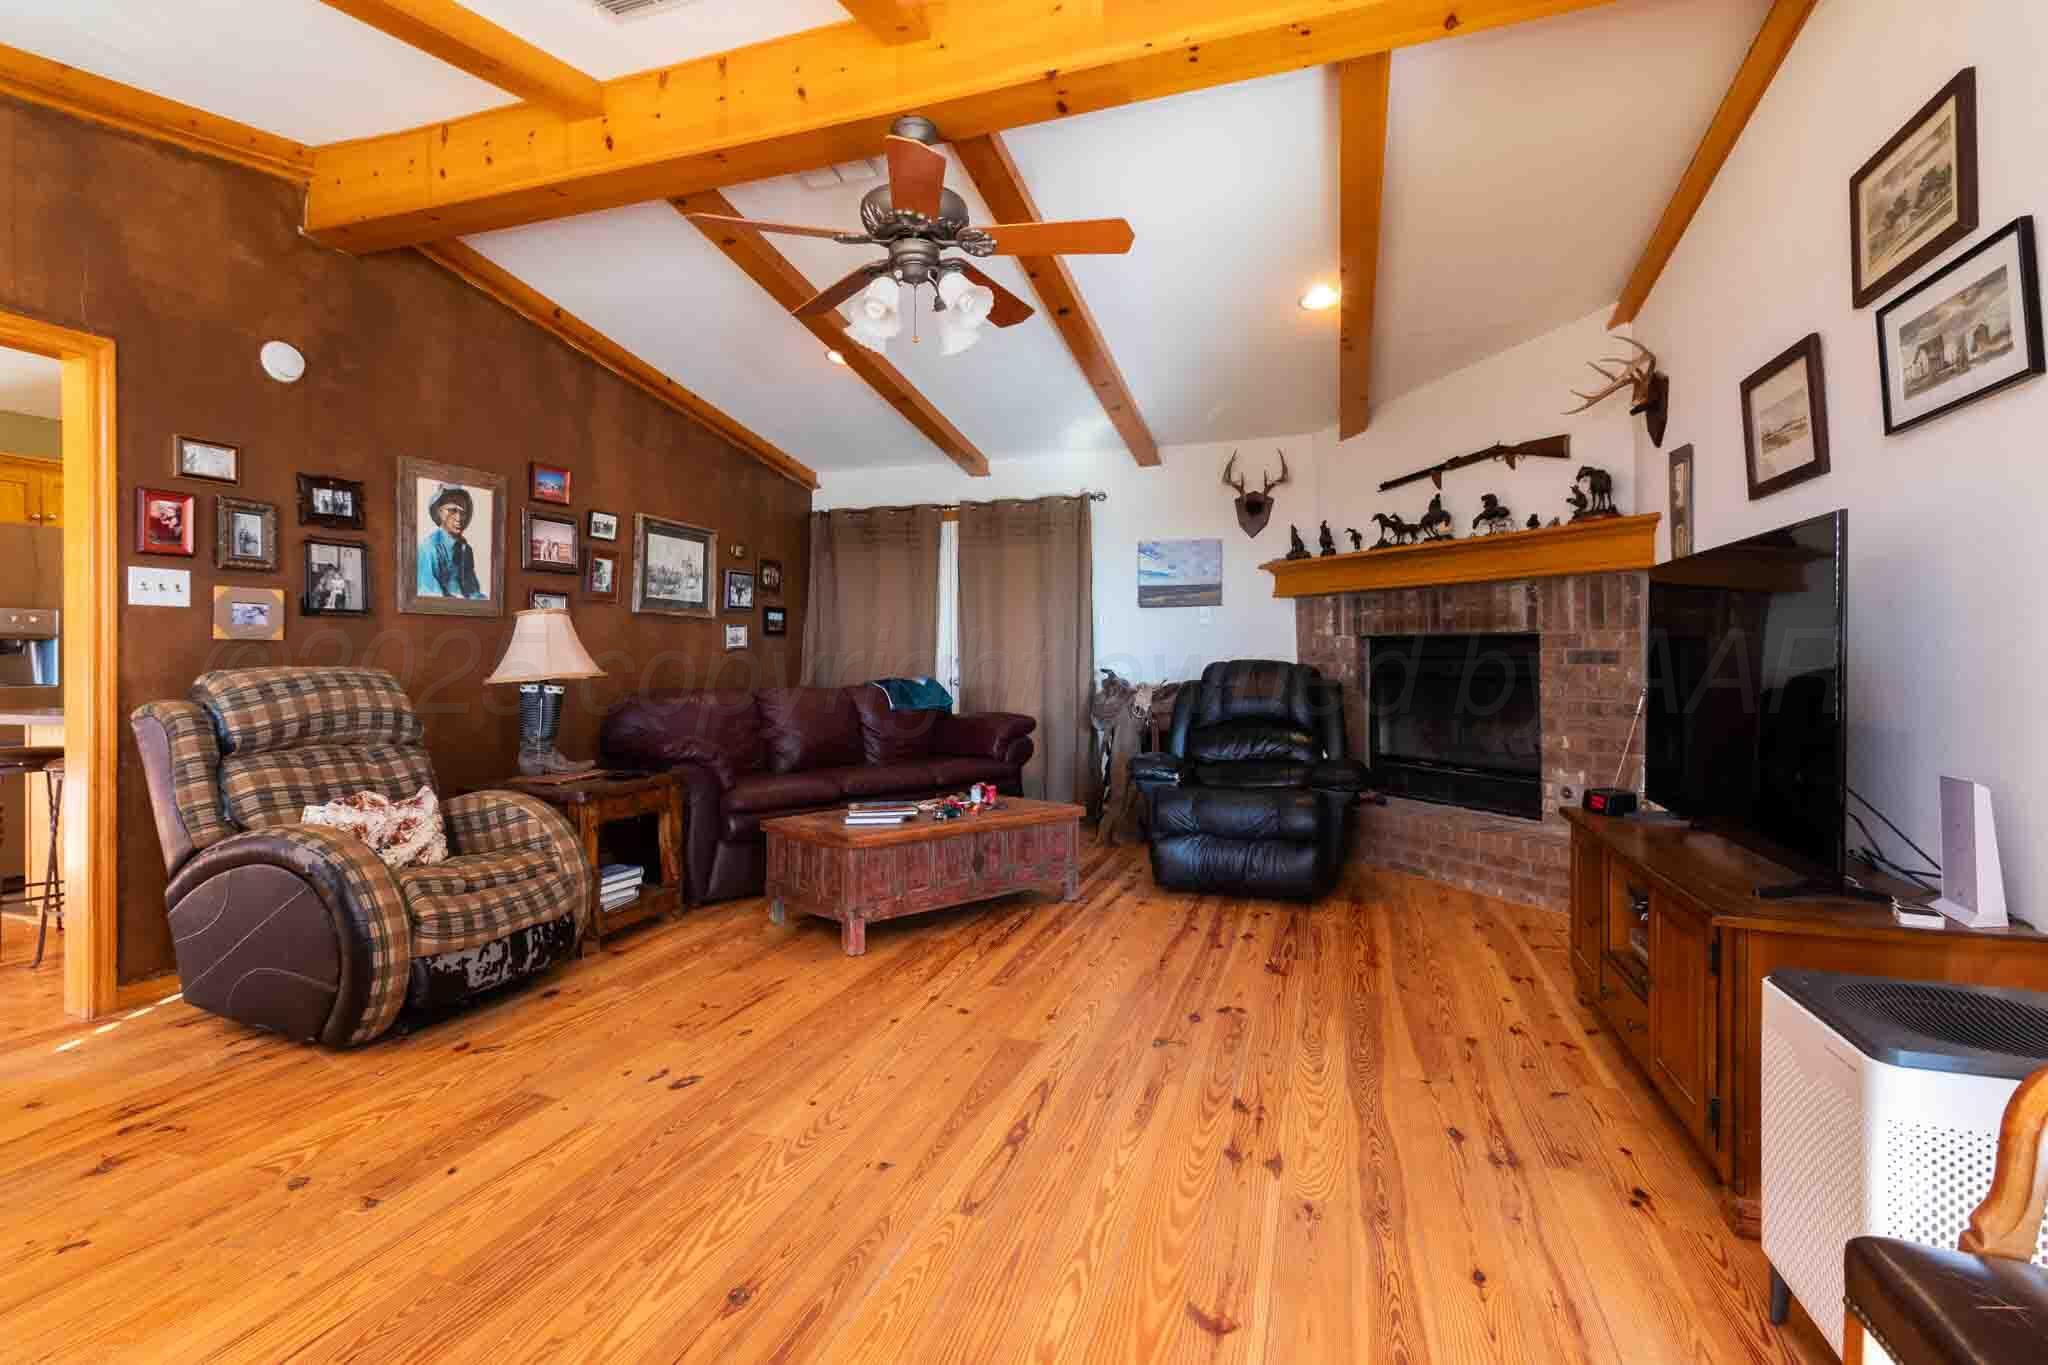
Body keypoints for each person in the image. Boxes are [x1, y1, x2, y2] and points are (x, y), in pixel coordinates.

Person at [417, 484, 485, 599]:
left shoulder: (466, 549)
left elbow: (473, 592)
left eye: (463, 513)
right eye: (452, 511)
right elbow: (431, 595)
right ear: (440, 512)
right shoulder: (429, 548)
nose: (459, 518)